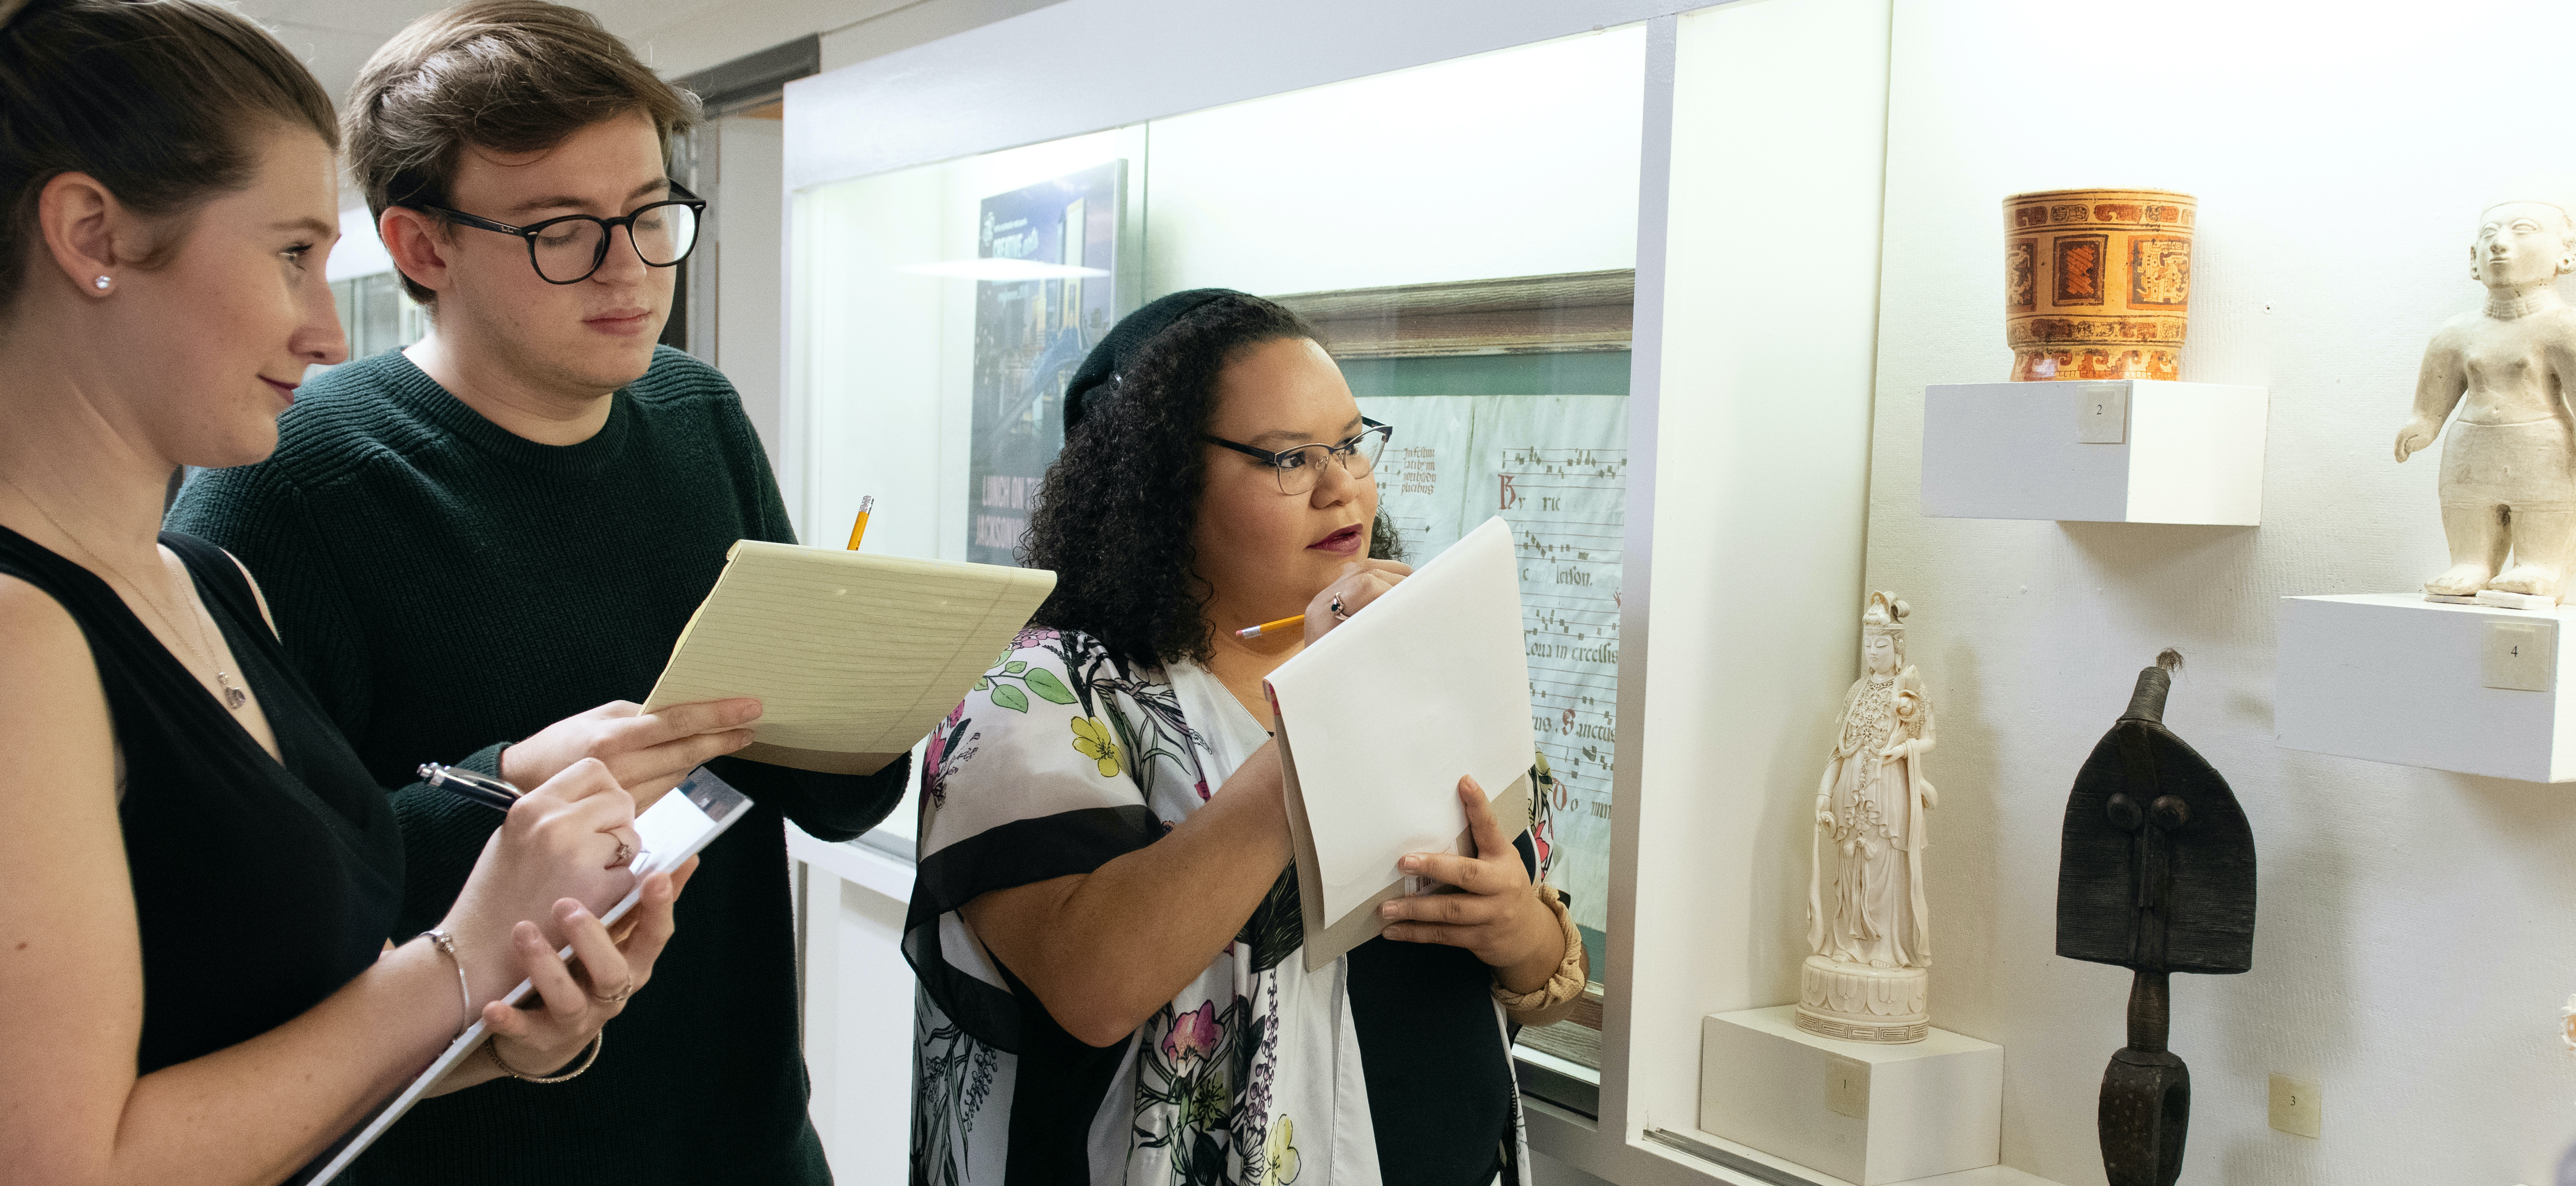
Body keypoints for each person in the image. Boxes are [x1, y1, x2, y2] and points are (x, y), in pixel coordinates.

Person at [166, 2, 909, 1180]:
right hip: (458, 1144)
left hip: (744, 1134)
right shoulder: (288, 481)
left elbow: (824, 797)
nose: (628, 270)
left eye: (652, 217)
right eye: (563, 232)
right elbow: (255, 908)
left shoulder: (697, 412)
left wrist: (876, 703)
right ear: (420, 247)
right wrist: (505, 792)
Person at [0, 2, 689, 1183]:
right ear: (91, 234)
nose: (326, 332)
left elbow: (295, 1038)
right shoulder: (20, 633)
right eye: (289, 256)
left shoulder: (206, 582)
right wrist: (462, 957)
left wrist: (504, 1029)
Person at [906, 290, 1590, 1186]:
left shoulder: (1414, 642)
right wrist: (1327, 710)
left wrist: (1519, 928)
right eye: (1288, 458)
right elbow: (1093, 985)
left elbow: (1547, 951)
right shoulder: (1045, 694)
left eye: (1350, 443)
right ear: (1162, 481)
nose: (1341, 484)